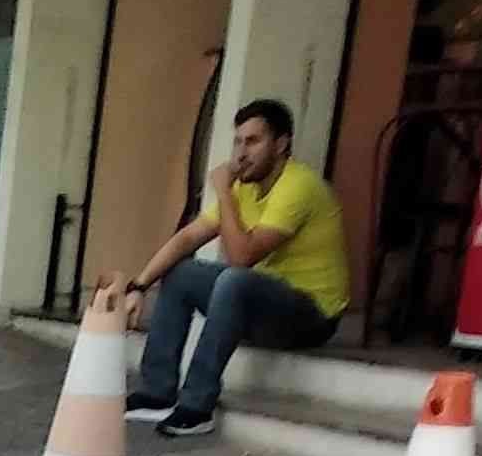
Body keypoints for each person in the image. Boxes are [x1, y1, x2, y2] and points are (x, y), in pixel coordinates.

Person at [113, 97, 349, 436]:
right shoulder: (244, 188)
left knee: (234, 280)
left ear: (281, 144)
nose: (240, 153)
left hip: (312, 316)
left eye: (252, 141)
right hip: (264, 306)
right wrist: (138, 286)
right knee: (181, 272)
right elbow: (188, 237)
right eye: (237, 141)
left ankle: (197, 406)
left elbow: (242, 258)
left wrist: (223, 191)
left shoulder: (299, 186)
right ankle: (157, 392)